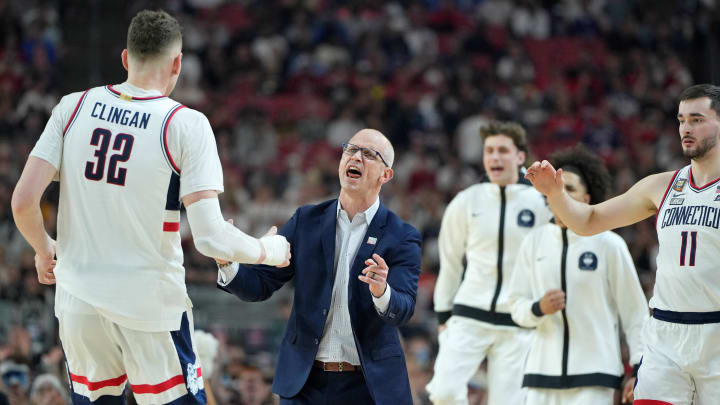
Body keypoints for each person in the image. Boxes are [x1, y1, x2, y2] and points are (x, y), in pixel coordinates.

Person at [11, 9, 289, 405]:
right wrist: (270, 250)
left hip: (78, 304)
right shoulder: (184, 123)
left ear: (125, 58)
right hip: (150, 310)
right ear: (177, 64)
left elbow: (22, 201)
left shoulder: (72, 107)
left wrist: (43, 250)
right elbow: (210, 238)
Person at [525, 83, 720, 404]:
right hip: (667, 335)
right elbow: (588, 222)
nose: (686, 127)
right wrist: (555, 194)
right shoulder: (661, 185)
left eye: (697, 119)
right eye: (681, 119)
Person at [217, 128, 422, 404]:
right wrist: (227, 262)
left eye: (369, 154)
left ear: (386, 175)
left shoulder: (402, 235)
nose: (356, 157)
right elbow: (261, 284)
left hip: (369, 387)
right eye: (351, 150)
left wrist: (382, 291)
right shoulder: (306, 220)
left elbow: (404, 309)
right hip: (305, 383)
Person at [507, 145, 648, 405]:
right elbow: (515, 306)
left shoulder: (609, 244)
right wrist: (538, 308)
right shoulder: (533, 242)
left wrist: (639, 369)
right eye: (556, 188)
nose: (559, 194)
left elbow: (635, 313)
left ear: (586, 200)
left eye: (569, 189)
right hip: (540, 375)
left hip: (596, 376)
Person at [426, 121, 553, 405]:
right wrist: (444, 316)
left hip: (518, 320)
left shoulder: (541, 203)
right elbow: (450, 263)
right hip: (468, 313)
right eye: (489, 151)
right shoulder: (466, 200)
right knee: (443, 392)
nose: (495, 157)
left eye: (502, 151)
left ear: (520, 157)